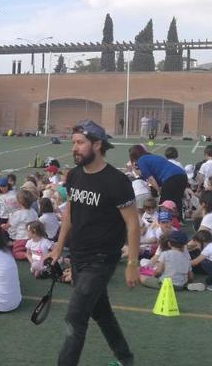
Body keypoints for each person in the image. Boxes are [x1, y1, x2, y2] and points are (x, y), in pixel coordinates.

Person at [47, 120, 138, 366]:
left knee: (75, 317)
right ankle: (125, 359)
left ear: (97, 145)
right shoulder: (74, 175)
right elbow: (69, 214)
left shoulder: (117, 181)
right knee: (102, 313)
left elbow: (132, 223)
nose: (74, 148)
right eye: (73, 143)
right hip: (77, 255)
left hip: (101, 260)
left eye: (79, 143)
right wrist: (58, 247)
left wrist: (132, 262)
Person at [128, 144, 188, 221]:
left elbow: (150, 178)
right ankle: (177, 221)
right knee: (177, 200)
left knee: (164, 203)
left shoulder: (141, 160)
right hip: (182, 175)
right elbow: (145, 175)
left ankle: (163, 222)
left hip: (170, 177)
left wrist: (159, 190)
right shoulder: (152, 157)